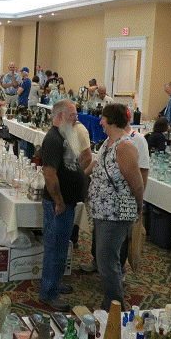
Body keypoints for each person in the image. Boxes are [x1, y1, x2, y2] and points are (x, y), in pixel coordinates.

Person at [86, 103, 144, 311]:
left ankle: (114, 307)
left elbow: (137, 184)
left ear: (111, 120)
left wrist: (138, 208)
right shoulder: (108, 143)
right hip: (103, 212)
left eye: (103, 118)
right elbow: (97, 164)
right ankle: (112, 303)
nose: (100, 121)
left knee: (107, 261)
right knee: (106, 258)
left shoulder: (124, 147)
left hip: (116, 214)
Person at [38, 99, 88, 311]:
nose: (76, 118)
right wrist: (58, 201)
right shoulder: (52, 139)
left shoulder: (66, 135)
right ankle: (48, 292)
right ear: (60, 116)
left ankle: (55, 283)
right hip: (57, 204)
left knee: (61, 248)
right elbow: (49, 174)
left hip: (67, 202)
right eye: (72, 114)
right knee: (55, 249)